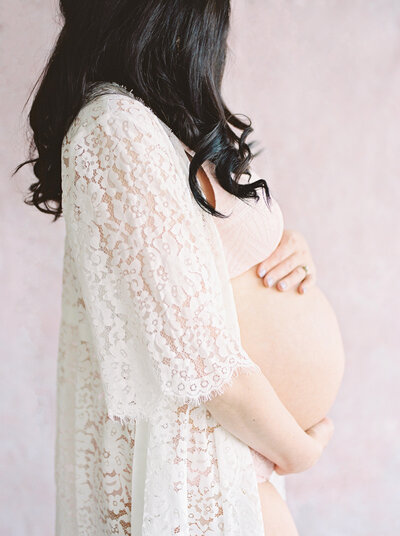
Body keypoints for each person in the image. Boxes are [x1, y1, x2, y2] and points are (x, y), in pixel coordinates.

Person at [14, 1, 344, 534]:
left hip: (239, 458)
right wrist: (299, 450)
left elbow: (211, 259)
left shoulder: (170, 128)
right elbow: (197, 359)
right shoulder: (112, 127)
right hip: (209, 468)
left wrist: (290, 249)